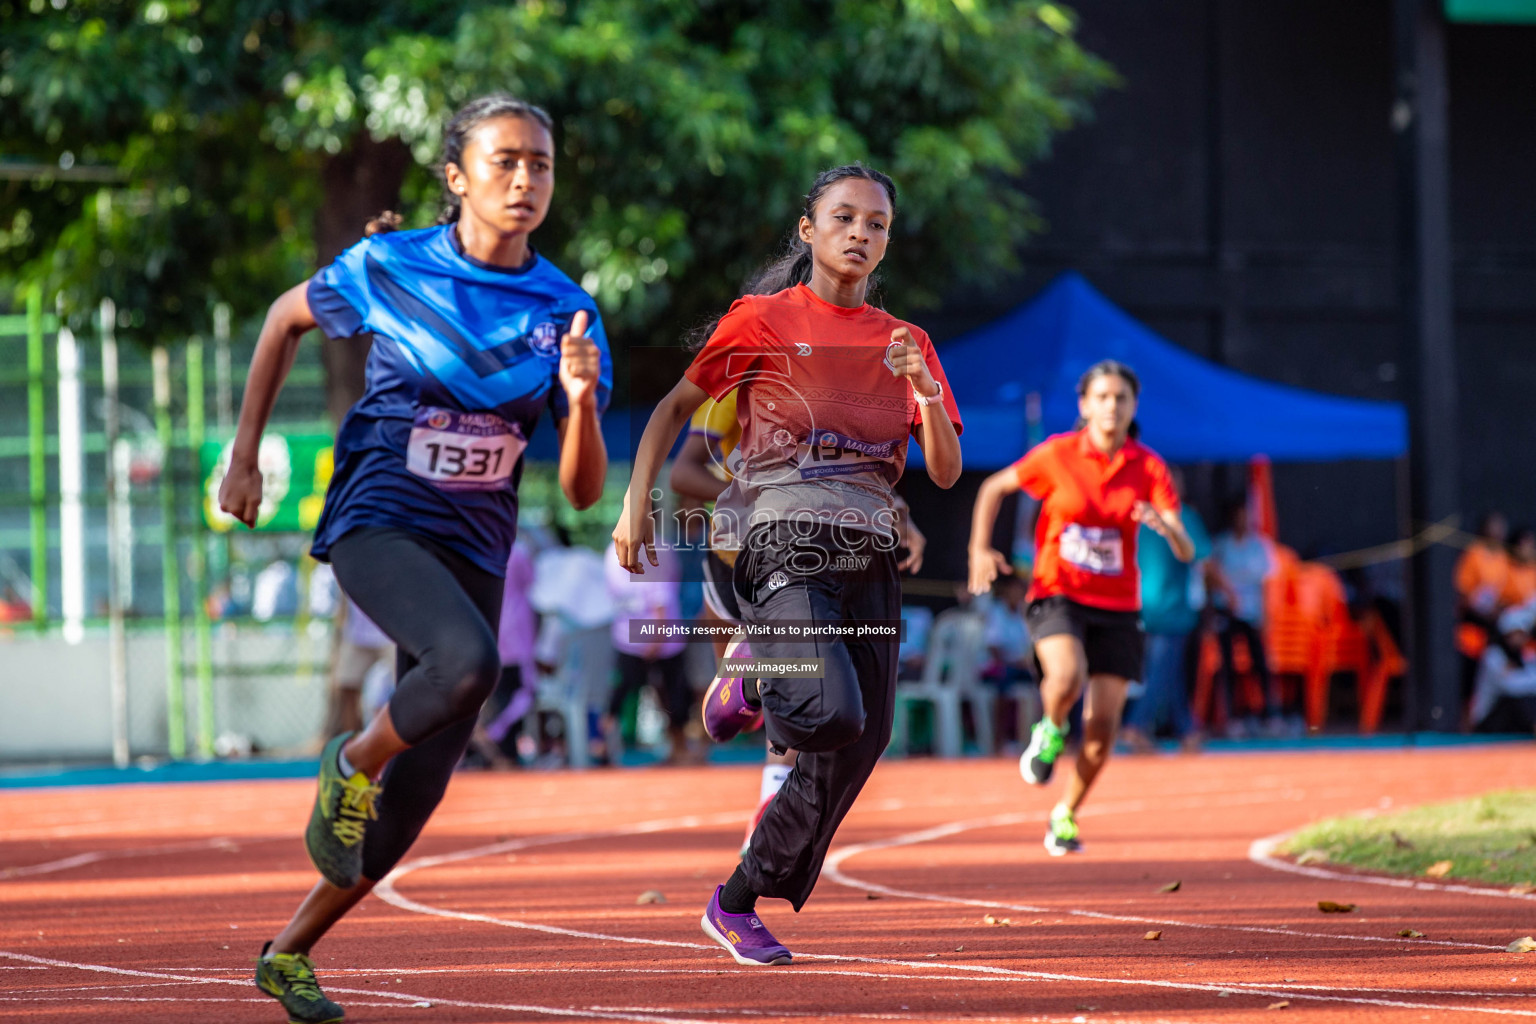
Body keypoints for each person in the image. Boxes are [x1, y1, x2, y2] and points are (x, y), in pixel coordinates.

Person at [218, 94, 609, 1024]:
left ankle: (286, 954)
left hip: (477, 542)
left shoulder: (566, 309)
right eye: (505, 160)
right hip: (378, 519)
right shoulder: (388, 266)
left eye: (541, 165)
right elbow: (280, 322)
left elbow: (585, 491)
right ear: (456, 175)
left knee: (417, 798)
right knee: (472, 662)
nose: (524, 180)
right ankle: (349, 762)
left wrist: (583, 403)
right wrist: (243, 456)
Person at [616, 163, 962, 965]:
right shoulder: (764, 319)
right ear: (808, 230)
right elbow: (674, 407)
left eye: (876, 224)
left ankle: (736, 901)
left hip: (869, 553)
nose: (860, 234)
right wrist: (637, 505)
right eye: (843, 217)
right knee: (831, 713)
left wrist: (929, 396)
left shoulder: (908, 344)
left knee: (862, 739)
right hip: (779, 539)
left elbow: (942, 471)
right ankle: (753, 675)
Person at [669, 391, 930, 854]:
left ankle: (772, 790)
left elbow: (852, 467)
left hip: (796, 557)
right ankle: (748, 681)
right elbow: (682, 473)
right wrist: (750, 493)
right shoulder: (731, 396)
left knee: (798, 680)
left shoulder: (826, 390)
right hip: (732, 555)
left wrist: (897, 511)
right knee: (731, 719)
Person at [967, 360, 1192, 856]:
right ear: (1085, 405)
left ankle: (1065, 812)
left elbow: (1185, 549)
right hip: (1058, 593)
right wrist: (979, 550)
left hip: (1117, 606)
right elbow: (992, 488)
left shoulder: (1148, 466)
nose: (1112, 406)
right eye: (1103, 397)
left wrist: (1167, 526)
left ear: (1133, 407)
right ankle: (1048, 730)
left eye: (1122, 398)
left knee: (1103, 726)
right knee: (1066, 678)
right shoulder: (1057, 454)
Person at [1120, 467, 1210, 752]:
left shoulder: (1139, 519)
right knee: (1161, 671)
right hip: (1171, 607)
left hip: (1142, 604)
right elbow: (1204, 560)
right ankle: (1136, 726)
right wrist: (1228, 592)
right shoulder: (1184, 517)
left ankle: (1187, 731)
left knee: (1168, 669)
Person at [603, 538, 697, 764]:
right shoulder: (612, 552)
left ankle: (679, 746)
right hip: (631, 637)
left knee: (671, 696)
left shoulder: (658, 549)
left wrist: (657, 637)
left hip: (661, 638)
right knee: (620, 695)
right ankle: (605, 746)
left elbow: (662, 596)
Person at [1208, 499, 1279, 737]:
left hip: (1252, 615)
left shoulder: (1260, 545)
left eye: (1246, 516)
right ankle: (1231, 720)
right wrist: (1225, 597)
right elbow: (1209, 575)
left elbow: (1267, 584)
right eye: (1238, 515)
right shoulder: (1221, 545)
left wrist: (1266, 615)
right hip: (1227, 613)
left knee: (1260, 663)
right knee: (1227, 665)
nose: (1243, 521)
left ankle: (1270, 716)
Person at [1456, 512, 1512, 714]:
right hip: (1475, 619)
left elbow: (1508, 593)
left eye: (1501, 526)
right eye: (1494, 526)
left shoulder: (1504, 556)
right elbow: (1462, 596)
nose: (1498, 531)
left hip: (1500, 618)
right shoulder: (1474, 553)